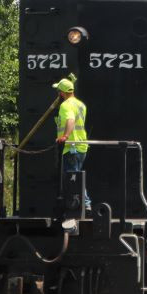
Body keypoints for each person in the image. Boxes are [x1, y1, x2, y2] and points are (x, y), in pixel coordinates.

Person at [53, 77, 90, 211]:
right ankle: (82, 203)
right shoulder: (81, 104)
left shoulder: (65, 105)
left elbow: (70, 120)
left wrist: (65, 136)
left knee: (73, 177)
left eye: (58, 91)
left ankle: (85, 204)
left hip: (71, 147)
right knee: (77, 175)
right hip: (82, 145)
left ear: (61, 93)